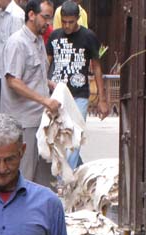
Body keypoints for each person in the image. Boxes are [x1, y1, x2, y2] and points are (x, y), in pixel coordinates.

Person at [1, 0, 60, 187]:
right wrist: (44, 100)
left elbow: (34, 77)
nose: (48, 23)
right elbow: (13, 81)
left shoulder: (38, 42)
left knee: (43, 177)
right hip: (23, 121)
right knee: (24, 175)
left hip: (40, 119)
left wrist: (51, 85)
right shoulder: (17, 42)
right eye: (45, 17)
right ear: (32, 15)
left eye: (50, 18)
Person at [46, 1, 108, 169]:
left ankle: (64, 179)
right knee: (57, 136)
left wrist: (102, 100)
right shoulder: (55, 36)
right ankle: (72, 172)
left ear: (78, 19)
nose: (67, 26)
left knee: (75, 136)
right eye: (64, 21)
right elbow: (46, 63)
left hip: (79, 95)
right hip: (57, 95)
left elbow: (96, 67)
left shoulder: (88, 37)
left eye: (71, 22)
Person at [0, 0, 25, 114]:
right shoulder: (0, 14)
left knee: (3, 113)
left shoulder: (16, 16)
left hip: (6, 73)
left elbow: (16, 48)